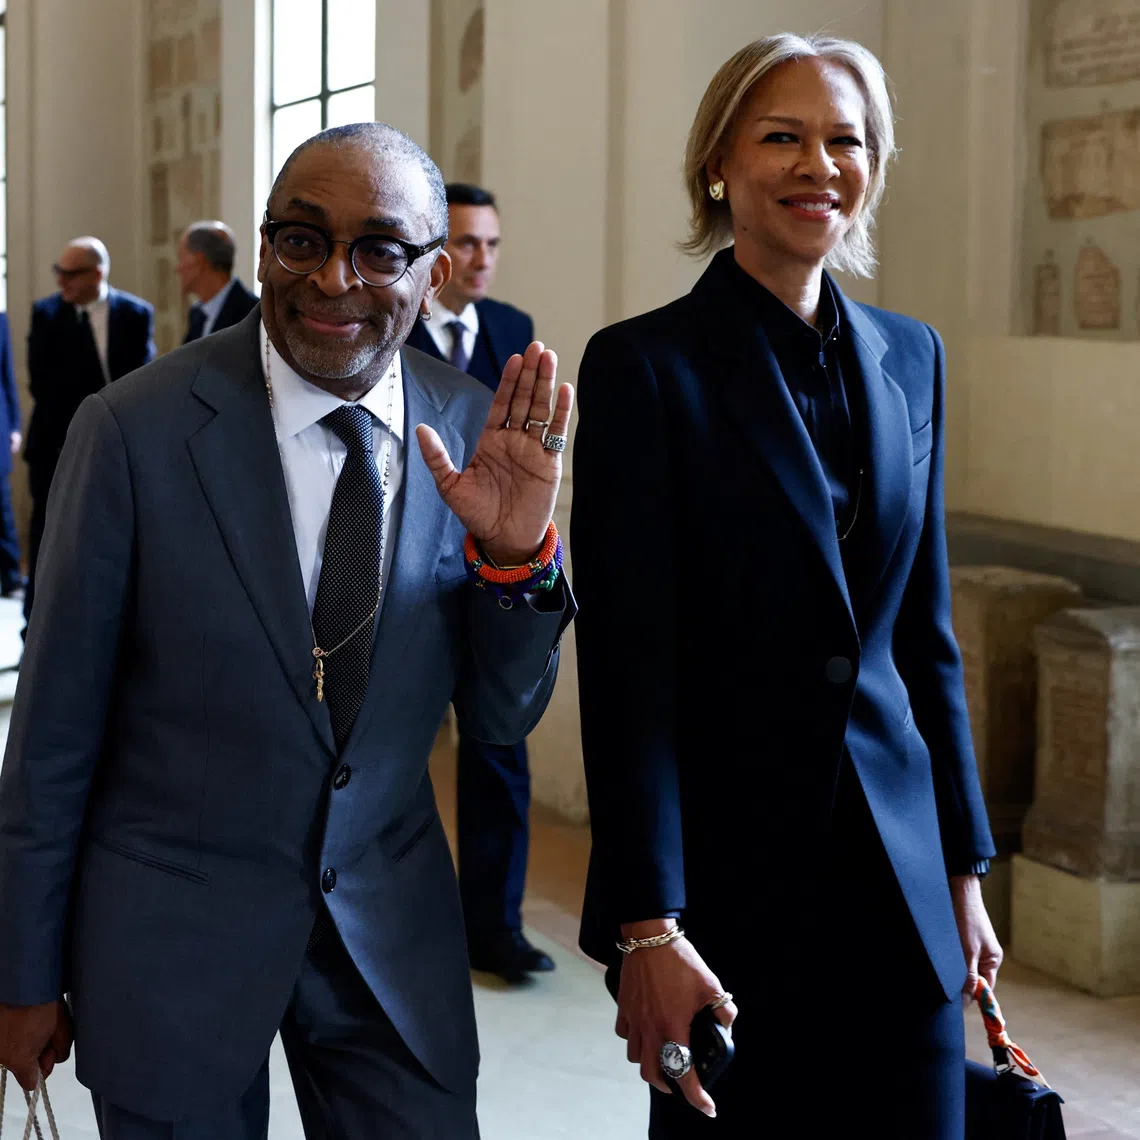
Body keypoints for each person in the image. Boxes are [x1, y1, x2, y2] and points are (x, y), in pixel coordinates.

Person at [0, 122, 574, 1139]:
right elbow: (53, 734)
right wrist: (23, 969)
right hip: (173, 937)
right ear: (264, 247)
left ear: (436, 273)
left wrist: (518, 560)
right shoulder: (135, 431)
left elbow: (495, 716)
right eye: (301, 240)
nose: (333, 279)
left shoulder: (477, 427)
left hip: (390, 940)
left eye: (381, 250)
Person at [573, 34, 1000, 1139]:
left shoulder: (915, 357)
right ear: (719, 162)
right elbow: (632, 674)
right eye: (783, 136)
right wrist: (646, 925)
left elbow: (924, 637)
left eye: (846, 141)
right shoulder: (644, 368)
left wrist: (962, 868)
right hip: (728, 896)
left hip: (900, 889)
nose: (821, 163)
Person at [407, 182, 552, 981]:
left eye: (492, 244)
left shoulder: (513, 331)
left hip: (490, 570)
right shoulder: (390, 327)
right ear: (434, 256)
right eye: (466, 243)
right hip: (403, 566)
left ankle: (495, 928)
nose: (481, 258)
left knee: (500, 747)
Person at [22, 237, 154, 633]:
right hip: (53, 443)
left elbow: (139, 378)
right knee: (46, 530)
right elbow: (41, 384)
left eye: (71, 273)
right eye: (57, 272)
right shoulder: (47, 314)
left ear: (98, 273)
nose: (62, 281)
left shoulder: (134, 313)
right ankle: (35, 625)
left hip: (116, 440)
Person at [177, 220, 260, 342]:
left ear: (199, 261)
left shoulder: (253, 313)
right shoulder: (197, 314)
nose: (178, 268)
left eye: (181, 257)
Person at [0, 313, 26, 597]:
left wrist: (15, 426)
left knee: (2, 508)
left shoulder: (1, 321)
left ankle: (10, 576)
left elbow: (7, 377)